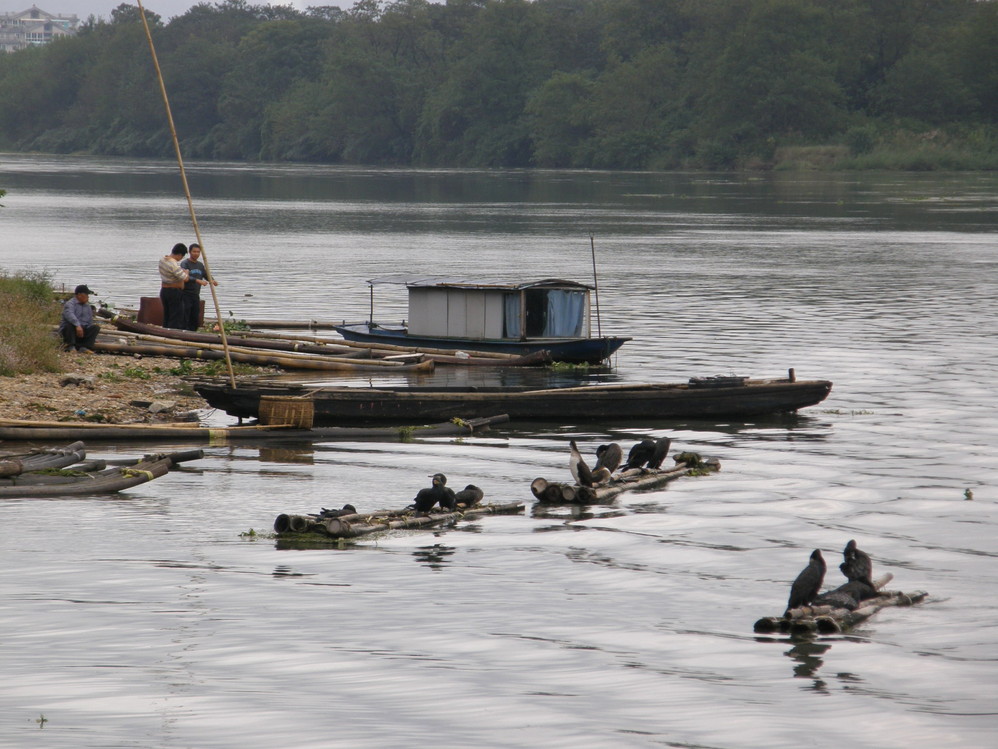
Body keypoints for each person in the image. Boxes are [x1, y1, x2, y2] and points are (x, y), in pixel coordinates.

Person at [180, 243, 217, 331]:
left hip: (195, 294)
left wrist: (212, 280)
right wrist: (199, 281)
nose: (196, 254)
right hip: (185, 293)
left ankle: (193, 332)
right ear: (190, 252)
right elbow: (185, 277)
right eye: (194, 252)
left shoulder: (200, 265)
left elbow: (205, 275)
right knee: (185, 315)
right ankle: (184, 333)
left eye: (198, 252)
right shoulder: (185, 263)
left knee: (195, 316)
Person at [60, 284, 100, 353]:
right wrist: (77, 325)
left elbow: (89, 321)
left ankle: (84, 347)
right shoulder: (70, 304)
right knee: (69, 325)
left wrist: (92, 337)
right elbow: (70, 315)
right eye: (86, 295)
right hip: (70, 331)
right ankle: (70, 346)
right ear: (79, 295)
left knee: (95, 327)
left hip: (82, 331)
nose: (88, 297)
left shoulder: (87, 307)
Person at [159, 243, 189, 329]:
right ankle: (173, 335)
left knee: (167, 314)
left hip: (164, 290)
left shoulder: (162, 260)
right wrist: (186, 272)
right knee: (176, 316)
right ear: (179, 255)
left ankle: (165, 331)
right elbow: (185, 278)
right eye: (182, 256)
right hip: (174, 292)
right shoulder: (173, 264)